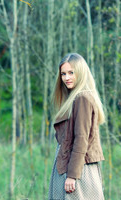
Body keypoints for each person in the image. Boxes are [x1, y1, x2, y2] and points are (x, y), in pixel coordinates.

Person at [48, 53, 105, 200]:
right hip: (73, 166)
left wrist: (72, 176)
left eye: (71, 73)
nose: (66, 78)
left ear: (80, 73)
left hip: (78, 169)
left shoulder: (82, 98)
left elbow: (81, 139)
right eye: (63, 74)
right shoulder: (76, 98)